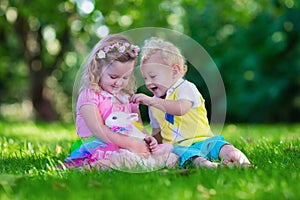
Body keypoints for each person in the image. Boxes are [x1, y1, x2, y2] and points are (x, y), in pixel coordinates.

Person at [131, 37, 251, 168]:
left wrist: (151, 101)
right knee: (191, 158)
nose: (148, 83)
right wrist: (152, 143)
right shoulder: (153, 104)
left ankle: (243, 163)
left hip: (205, 140)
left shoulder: (185, 87)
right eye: (145, 78)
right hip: (180, 147)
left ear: (174, 71)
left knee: (225, 148)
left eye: (153, 76)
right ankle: (212, 167)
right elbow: (158, 133)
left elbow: (181, 108)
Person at [64, 34, 174, 171]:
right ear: (97, 69)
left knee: (171, 156)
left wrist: (146, 139)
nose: (119, 82)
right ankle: (91, 167)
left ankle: (143, 163)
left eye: (125, 77)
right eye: (113, 77)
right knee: (120, 159)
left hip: (130, 145)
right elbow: (99, 130)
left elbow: (138, 127)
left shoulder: (127, 97)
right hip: (102, 145)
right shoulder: (90, 95)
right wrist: (130, 144)